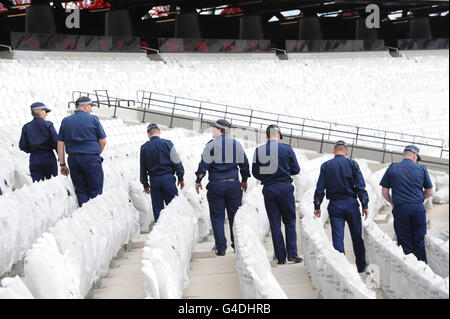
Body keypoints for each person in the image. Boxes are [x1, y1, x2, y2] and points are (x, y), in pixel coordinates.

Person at [195, 119, 250, 256]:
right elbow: (244, 164)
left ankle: (221, 248)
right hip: (233, 184)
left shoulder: (211, 145)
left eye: (213, 128)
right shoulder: (236, 145)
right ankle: (237, 246)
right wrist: (244, 180)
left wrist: (198, 180)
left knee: (217, 217)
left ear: (219, 129)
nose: (212, 131)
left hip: (216, 184)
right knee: (234, 217)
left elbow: (203, 165)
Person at [313, 140, 369, 273]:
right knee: (356, 236)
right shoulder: (352, 164)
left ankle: (342, 269)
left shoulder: (326, 166)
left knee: (338, 237)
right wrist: (364, 204)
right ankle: (361, 266)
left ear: (334, 151)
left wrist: (317, 205)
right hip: (351, 204)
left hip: (335, 205)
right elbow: (361, 186)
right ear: (346, 151)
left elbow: (320, 188)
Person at [252, 124, 303, 265]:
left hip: (269, 189)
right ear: (278, 135)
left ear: (267, 135)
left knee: (275, 223)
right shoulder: (287, 149)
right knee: (290, 221)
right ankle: (292, 253)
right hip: (285, 188)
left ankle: (280, 257)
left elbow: (255, 172)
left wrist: (267, 178)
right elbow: (296, 169)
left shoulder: (259, 151)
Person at [379, 145, 433, 262]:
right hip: (417, 208)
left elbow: (384, 192)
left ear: (404, 155)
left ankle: (408, 269)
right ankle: (422, 269)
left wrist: (393, 202)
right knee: (419, 241)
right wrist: (418, 198)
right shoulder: (421, 169)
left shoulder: (392, 168)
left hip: (401, 208)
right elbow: (429, 192)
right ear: (415, 156)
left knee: (404, 241)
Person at [57, 96, 106, 207]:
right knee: (96, 191)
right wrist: (97, 153)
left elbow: (60, 144)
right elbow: (103, 141)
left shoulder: (66, 121)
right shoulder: (93, 119)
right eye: (90, 107)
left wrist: (62, 164)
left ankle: (84, 216)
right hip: (92, 158)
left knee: (81, 190)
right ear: (85, 107)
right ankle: (95, 215)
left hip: (74, 159)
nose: (91, 110)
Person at [140, 123, 185, 222]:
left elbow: (143, 168)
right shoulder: (168, 144)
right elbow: (177, 162)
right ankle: (174, 228)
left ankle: (161, 233)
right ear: (159, 132)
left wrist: (145, 184)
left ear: (148, 134)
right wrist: (180, 177)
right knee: (173, 206)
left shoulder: (144, 148)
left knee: (158, 209)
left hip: (154, 180)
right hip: (168, 178)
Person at [19, 102, 58, 182]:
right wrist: (60, 157)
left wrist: (31, 149)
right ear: (40, 111)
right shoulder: (48, 125)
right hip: (48, 157)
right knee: (52, 183)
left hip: (34, 158)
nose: (46, 114)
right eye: (45, 111)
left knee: (38, 185)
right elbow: (56, 143)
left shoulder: (26, 127)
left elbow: (22, 145)